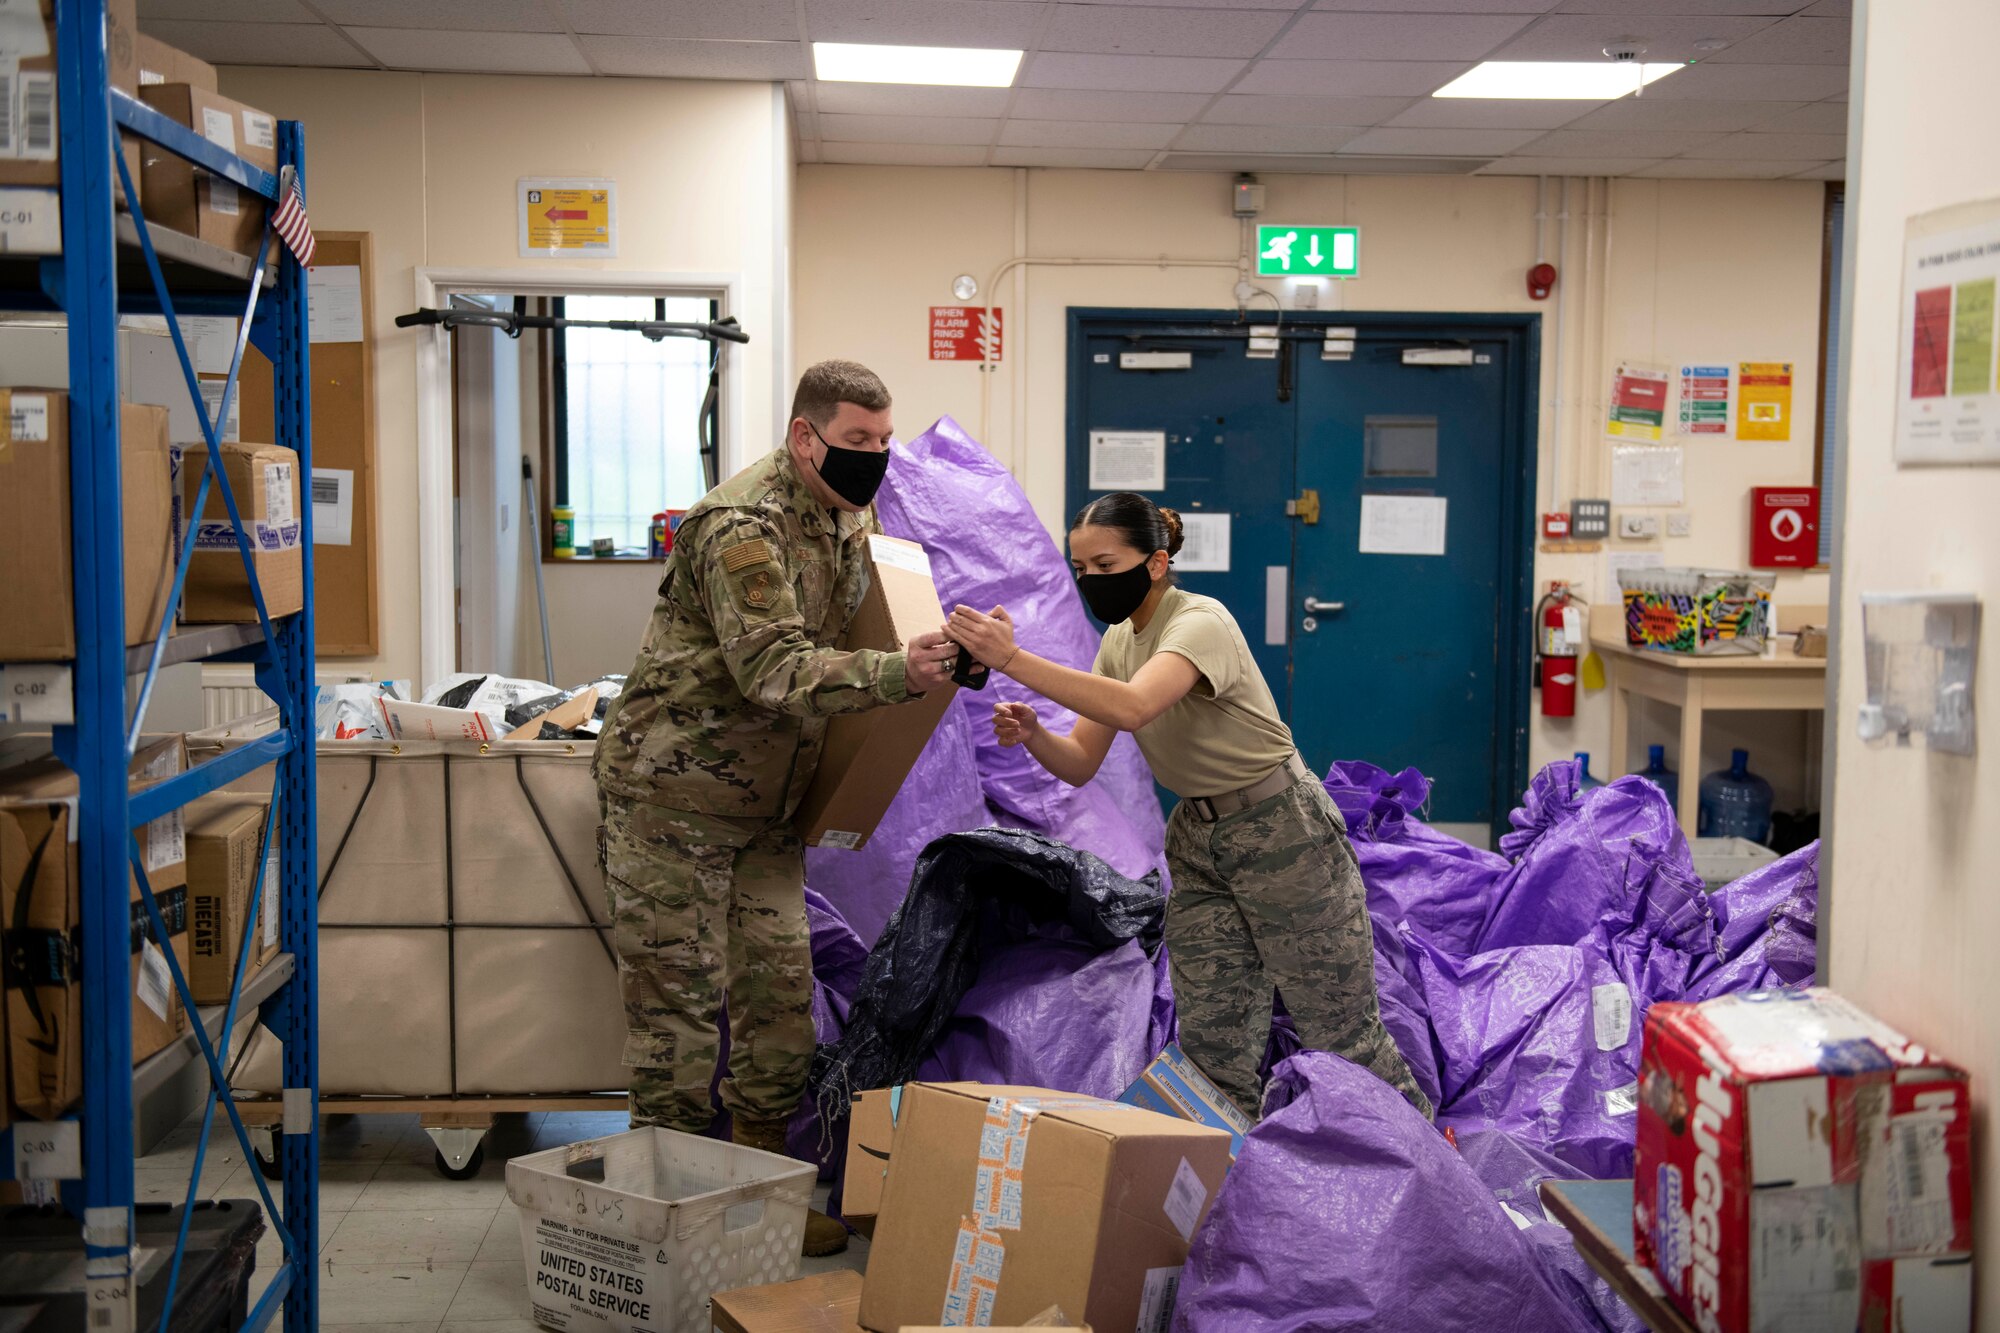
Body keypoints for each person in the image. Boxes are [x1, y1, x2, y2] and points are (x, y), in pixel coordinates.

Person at [594, 360, 958, 1256]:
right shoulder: (742, 525)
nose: (874, 459)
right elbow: (773, 669)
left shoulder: (842, 511)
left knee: (779, 1006)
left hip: (764, 808)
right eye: (856, 442)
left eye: (883, 443)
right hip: (671, 797)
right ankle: (666, 1223)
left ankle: (758, 1198)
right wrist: (894, 673)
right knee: (678, 1019)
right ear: (806, 436)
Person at [945, 492, 1432, 1123]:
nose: (1090, 579)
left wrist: (1010, 658)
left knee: (1339, 1030)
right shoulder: (1120, 641)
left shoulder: (1199, 623)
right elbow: (1080, 763)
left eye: (1104, 563)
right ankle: (1215, 1187)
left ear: (1154, 562)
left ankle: (1433, 1171)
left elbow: (1132, 707)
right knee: (1212, 1044)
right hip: (1201, 842)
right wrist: (1035, 733)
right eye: (1081, 568)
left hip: (1281, 831)